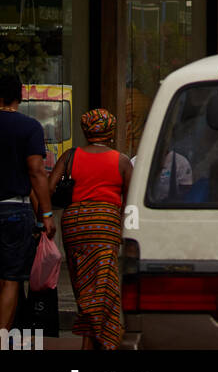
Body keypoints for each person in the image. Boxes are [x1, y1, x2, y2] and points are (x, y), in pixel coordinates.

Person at [48, 108, 132, 350]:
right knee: (103, 287)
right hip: (105, 226)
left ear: (86, 131)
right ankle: (99, 342)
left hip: (74, 225)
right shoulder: (122, 161)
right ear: (111, 131)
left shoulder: (70, 156)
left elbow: (50, 186)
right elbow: (130, 201)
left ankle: (90, 341)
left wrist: (45, 216)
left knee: (84, 286)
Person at [0, 72, 56, 333]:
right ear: (19, 97)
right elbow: (36, 171)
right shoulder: (29, 127)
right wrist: (46, 213)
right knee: (10, 279)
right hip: (15, 209)